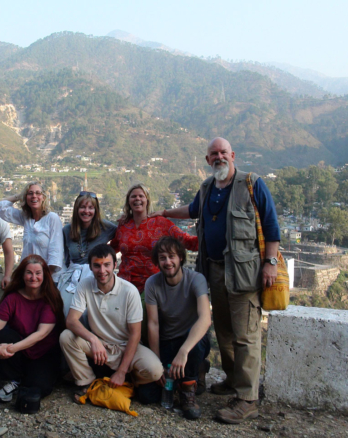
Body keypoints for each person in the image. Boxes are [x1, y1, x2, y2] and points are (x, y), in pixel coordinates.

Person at [151, 137, 280, 423]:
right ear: (208, 160)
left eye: (223, 152)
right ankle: (234, 381)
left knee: (246, 334)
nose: (219, 157)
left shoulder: (251, 183)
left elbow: (271, 225)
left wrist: (270, 263)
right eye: (213, 154)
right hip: (214, 269)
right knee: (224, 330)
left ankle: (247, 399)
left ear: (232, 155)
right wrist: (163, 213)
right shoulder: (208, 187)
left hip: (244, 272)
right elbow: (193, 210)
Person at [60, 244, 163, 401]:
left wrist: (122, 370)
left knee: (155, 370)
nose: (102, 271)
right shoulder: (85, 285)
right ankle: (86, 381)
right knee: (66, 337)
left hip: (127, 346)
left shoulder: (129, 291)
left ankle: (125, 378)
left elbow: (135, 334)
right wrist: (93, 339)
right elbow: (71, 321)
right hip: (101, 345)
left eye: (106, 265)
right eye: (97, 266)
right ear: (91, 267)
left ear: (115, 265)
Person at [137, 237, 211, 420]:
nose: (167, 262)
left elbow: (205, 318)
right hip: (167, 342)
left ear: (180, 258)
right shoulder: (153, 284)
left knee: (196, 343)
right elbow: (153, 324)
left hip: (191, 342)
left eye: (172, 256)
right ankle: (193, 371)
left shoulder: (196, 279)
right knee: (148, 396)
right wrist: (157, 363)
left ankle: (188, 390)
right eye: (162, 258)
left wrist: (184, 351)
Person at [0, 255, 64, 402]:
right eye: (29, 272)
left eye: (38, 273)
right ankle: (13, 379)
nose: (33, 277)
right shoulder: (13, 298)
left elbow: (41, 334)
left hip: (42, 352)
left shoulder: (50, 298)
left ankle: (24, 380)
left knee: (39, 387)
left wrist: (11, 349)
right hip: (19, 350)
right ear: (22, 275)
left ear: (44, 275)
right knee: (3, 335)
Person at [110, 183, 198, 294]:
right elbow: (111, 250)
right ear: (128, 201)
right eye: (133, 196)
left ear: (147, 200)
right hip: (125, 286)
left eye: (141, 196)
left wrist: (213, 236)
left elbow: (188, 241)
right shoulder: (123, 225)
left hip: (154, 287)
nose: (137, 198)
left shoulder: (161, 223)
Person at [58, 191, 117, 317]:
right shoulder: (67, 230)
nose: (86, 211)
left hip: (96, 274)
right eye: (83, 207)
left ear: (96, 211)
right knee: (64, 309)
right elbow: (66, 259)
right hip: (73, 276)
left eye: (91, 208)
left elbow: (123, 235)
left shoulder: (106, 227)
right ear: (76, 209)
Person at [0, 182, 64, 281]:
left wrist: (44, 277)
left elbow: (56, 252)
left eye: (38, 193)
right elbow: (0, 207)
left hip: (48, 277)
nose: (34, 196)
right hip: (27, 276)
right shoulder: (25, 217)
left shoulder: (52, 218)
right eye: (30, 193)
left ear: (43, 197)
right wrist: (19, 196)